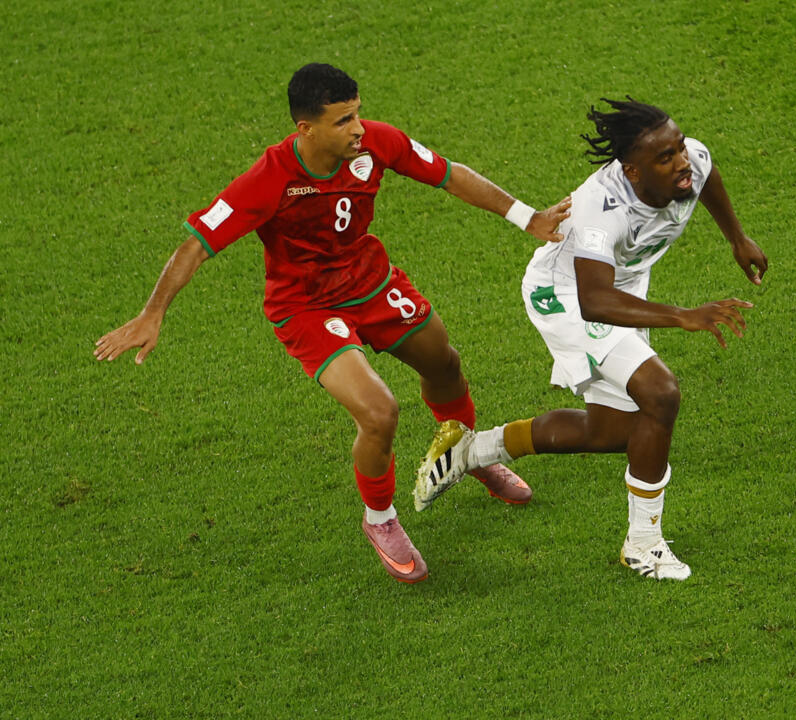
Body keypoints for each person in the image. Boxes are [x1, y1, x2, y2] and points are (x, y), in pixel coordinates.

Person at [93, 63, 571, 584]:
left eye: (357, 114)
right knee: (379, 412)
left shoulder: (376, 143)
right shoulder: (270, 179)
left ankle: (465, 453)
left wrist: (528, 217)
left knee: (443, 362)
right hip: (308, 309)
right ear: (307, 129)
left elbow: (449, 174)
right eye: (343, 121)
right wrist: (153, 312)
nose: (358, 128)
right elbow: (197, 244)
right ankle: (380, 519)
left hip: (372, 283)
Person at [414, 97, 768, 581]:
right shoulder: (601, 210)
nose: (683, 162)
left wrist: (737, 238)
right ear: (633, 172)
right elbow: (594, 301)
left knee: (613, 433)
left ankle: (469, 452)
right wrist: (684, 316)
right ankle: (644, 545)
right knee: (660, 394)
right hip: (566, 294)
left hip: (619, 288)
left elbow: (707, 177)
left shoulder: (691, 161)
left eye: (681, 148)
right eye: (666, 157)